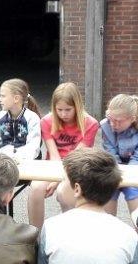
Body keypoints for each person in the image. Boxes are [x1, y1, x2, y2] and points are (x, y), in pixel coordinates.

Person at [26, 82, 99, 229]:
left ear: (77, 107)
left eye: (68, 110)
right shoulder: (46, 121)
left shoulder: (90, 124)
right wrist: (55, 178)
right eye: (59, 110)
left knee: (63, 192)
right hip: (54, 164)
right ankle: (35, 234)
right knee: (36, 188)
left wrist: (58, 180)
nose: (63, 114)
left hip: (78, 167)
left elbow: (76, 157)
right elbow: (53, 154)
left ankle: (69, 233)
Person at [99, 95, 138, 262]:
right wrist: (117, 172)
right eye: (111, 119)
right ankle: (108, 240)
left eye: (119, 121)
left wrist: (127, 175)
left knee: (132, 190)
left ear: (132, 119)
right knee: (109, 188)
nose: (113, 124)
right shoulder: (106, 126)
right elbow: (110, 153)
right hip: (115, 165)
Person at [0, 79, 41, 161]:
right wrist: (3, 158)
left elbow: (33, 147)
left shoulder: (32, 118)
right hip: (2, 162)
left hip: (26, 162)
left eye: (3, 96)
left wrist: (17, 157)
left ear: (16, 98)